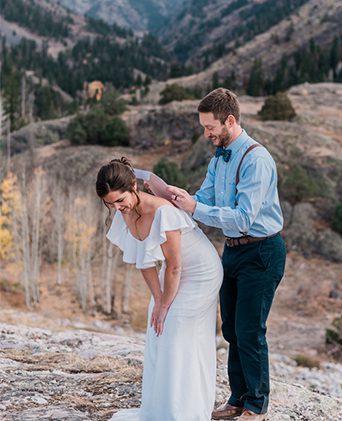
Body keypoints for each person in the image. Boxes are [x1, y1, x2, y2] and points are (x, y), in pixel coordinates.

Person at [164, 88, 285, 421]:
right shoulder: (219, 156)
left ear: (230, 120)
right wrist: (173, 201)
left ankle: (257, 405)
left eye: (209, 127)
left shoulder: (256, 159)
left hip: (261, 252)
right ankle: (237, 397)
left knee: (250, 330)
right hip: (231, 251)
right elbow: (203, 197)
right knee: (231, 329)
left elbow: (243, 217)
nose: (206, 134)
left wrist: (197, 207)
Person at [98, 158, 222, 421]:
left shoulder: (163, 212)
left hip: (201, 272)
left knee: (174, 326)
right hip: (175, 272)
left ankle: (184, 410)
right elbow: (144, 262)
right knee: (157, 326)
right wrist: (157, 300)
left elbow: (176, 266)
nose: (118, 208)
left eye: (121, 200)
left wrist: (166, 305)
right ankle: (162, 406)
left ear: (133, 186)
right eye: (111, 204)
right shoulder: (127, 214)